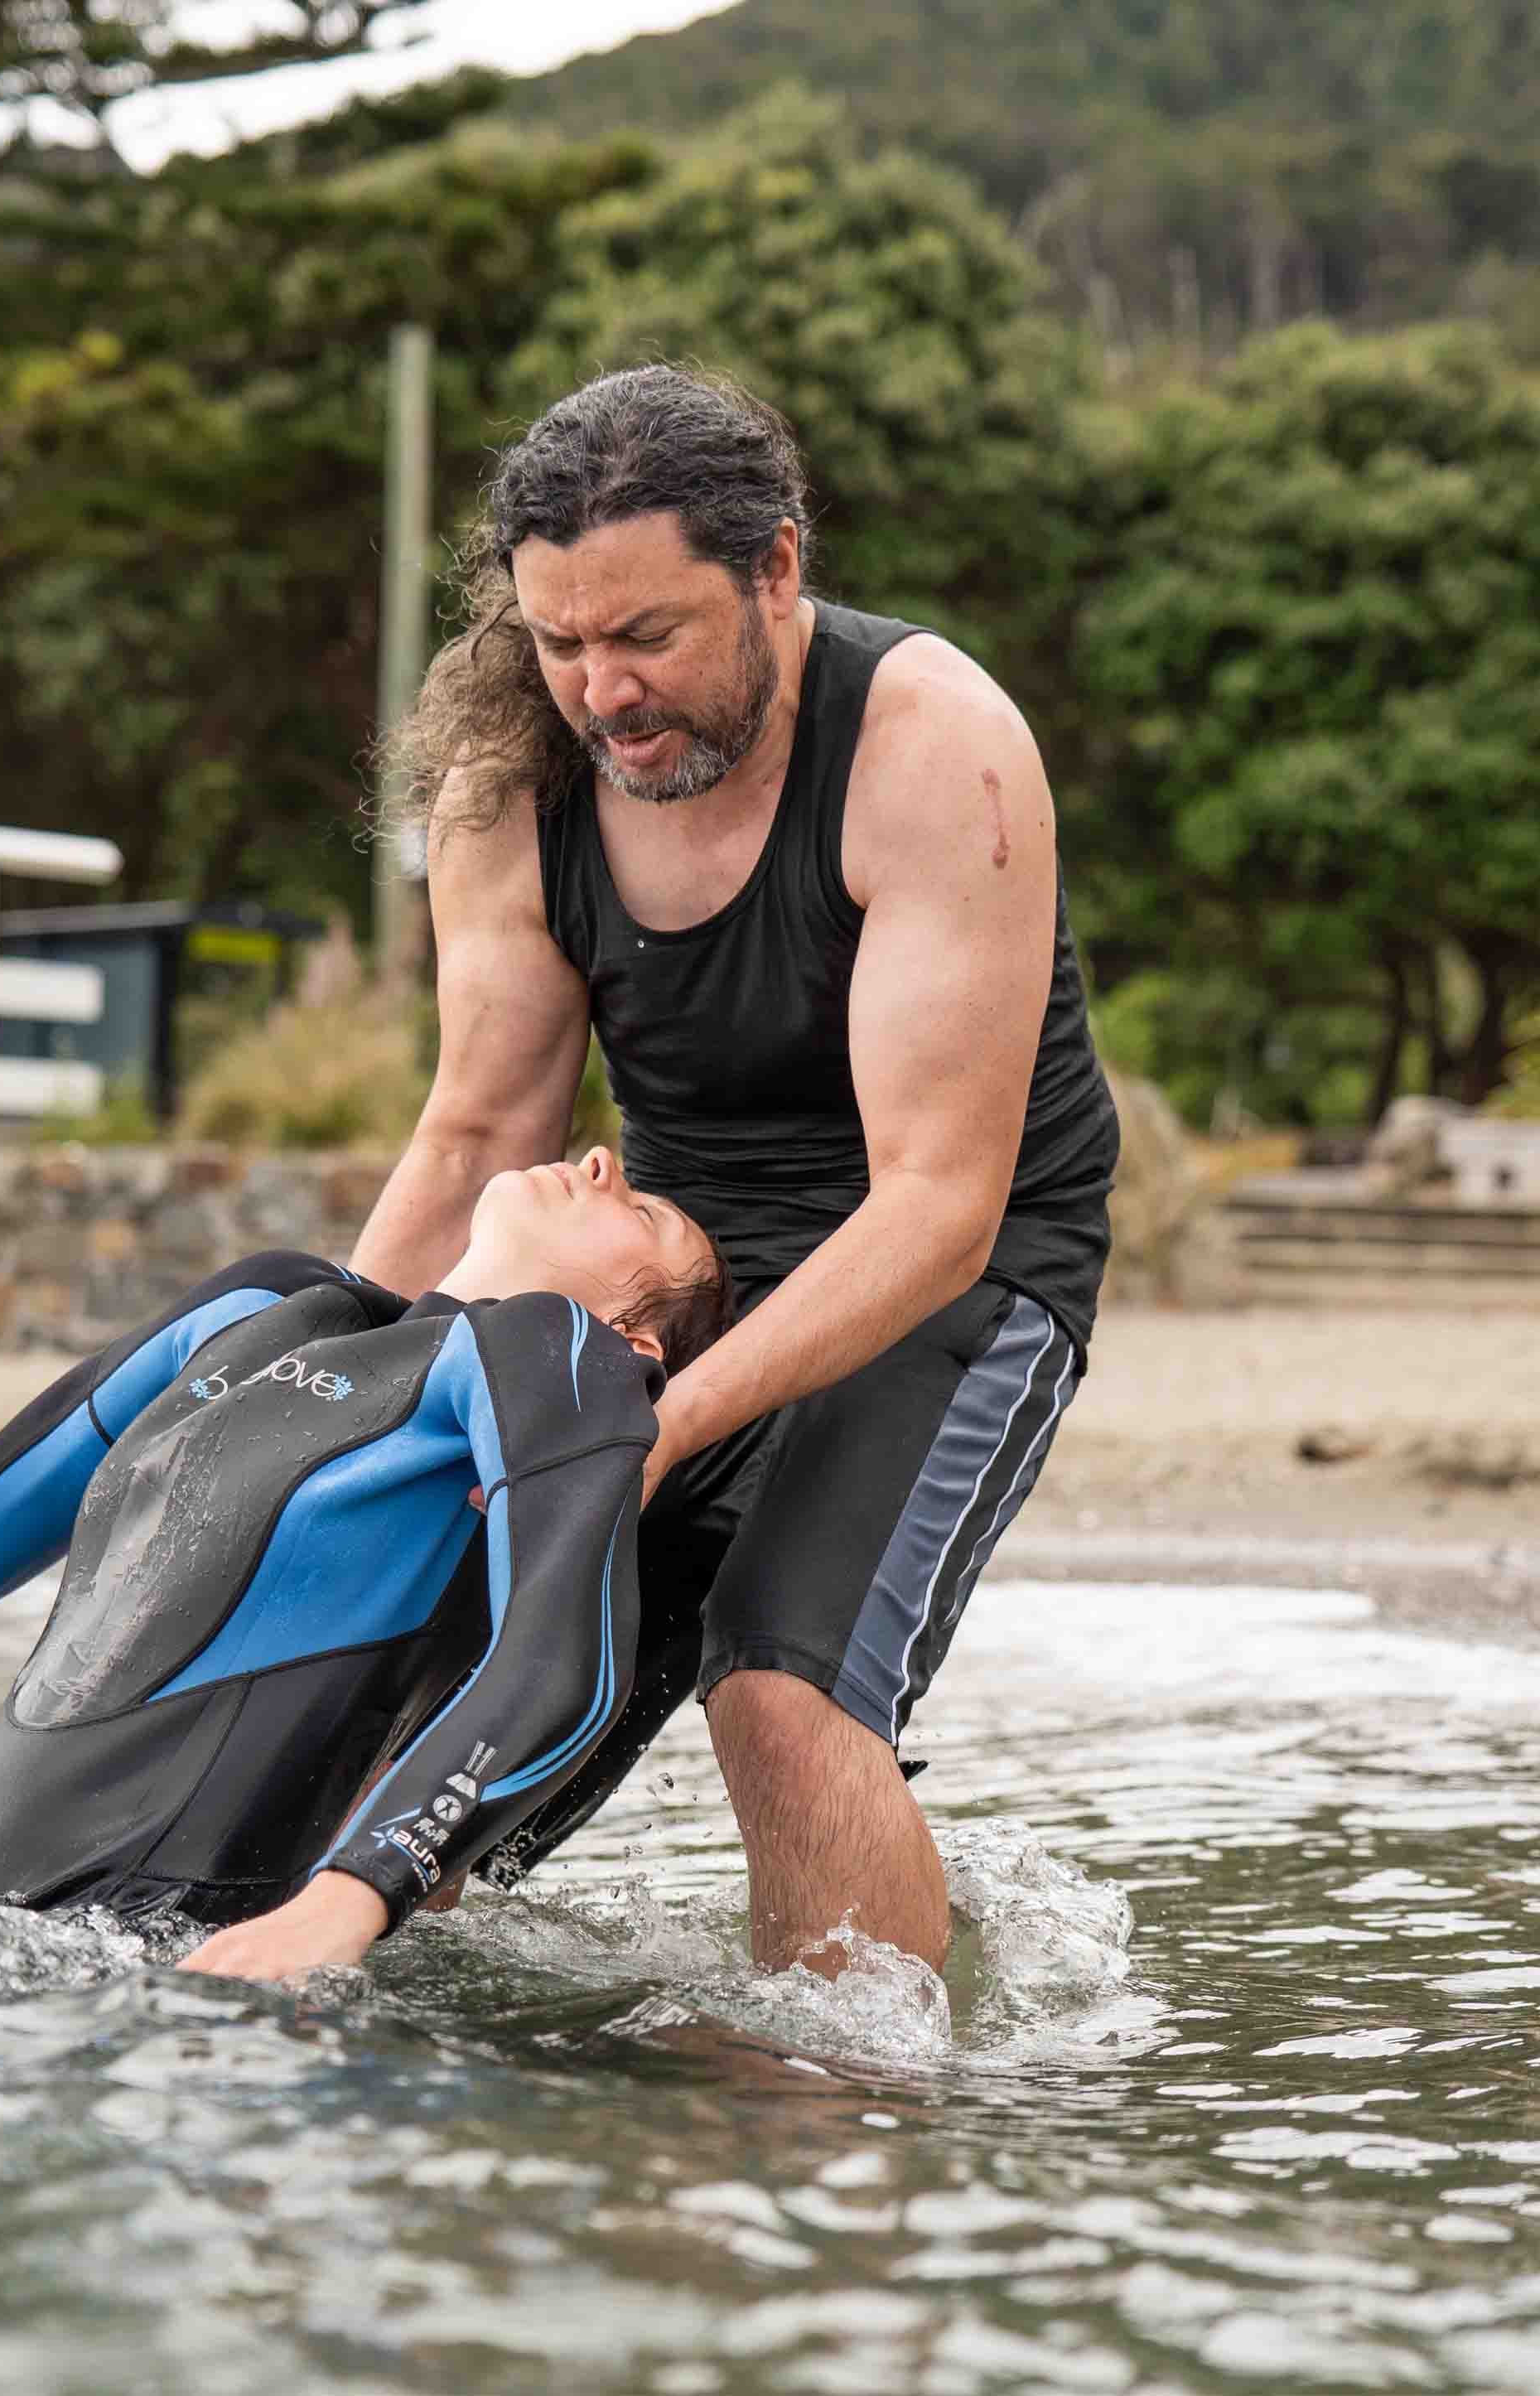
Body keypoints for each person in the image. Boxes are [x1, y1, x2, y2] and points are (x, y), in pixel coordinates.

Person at [355, 365, 1118, 1977]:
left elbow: (937, 1204)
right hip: (685, 1263)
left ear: (777, 570)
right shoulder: (510, 764)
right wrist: (323, 1405)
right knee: (403, 1697)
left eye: (648, 637)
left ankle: (845, 2127)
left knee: (778, 1684)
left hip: (957, 1266)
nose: (603, 692)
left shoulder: (934, 748)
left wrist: (660, 1433)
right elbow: (479, 1135)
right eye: (560, 642)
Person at [0, 1149, 733, 1985]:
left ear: (633, 1342)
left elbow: (562, 1658)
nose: (595, 1160)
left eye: (637, 1213)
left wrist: (355, 1894)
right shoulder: (273, 1309)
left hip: (133, 1964)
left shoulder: (550, 1357)